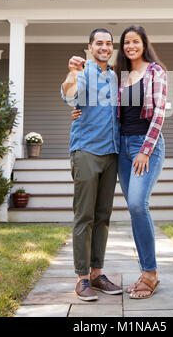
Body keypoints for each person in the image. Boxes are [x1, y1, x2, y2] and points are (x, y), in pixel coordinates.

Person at [72, 25, 167, 300]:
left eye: (135, 41)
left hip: (144, 147)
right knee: (128, 209)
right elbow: (109, 108)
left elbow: (158, 116)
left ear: (144, 44)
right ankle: (129, 273)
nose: (130, 46)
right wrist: (79, 111)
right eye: (126, 42)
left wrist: (145, 151)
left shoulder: (155, 72)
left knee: (138, 204)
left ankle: (150, 274)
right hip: (121, 147)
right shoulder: (120, 76)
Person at [60, 28, 122, 301]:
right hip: (86, 151)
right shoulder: (82, 72)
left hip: (112, 153)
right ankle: (82, 278)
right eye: (99, 43)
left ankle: (97, 273)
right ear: (90, 46)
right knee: (84, 216)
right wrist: (72, 72)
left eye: (109, 44)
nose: (104, 47)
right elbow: (71, 96)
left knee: (103, 217)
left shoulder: (115, 76)